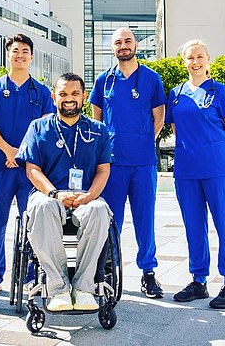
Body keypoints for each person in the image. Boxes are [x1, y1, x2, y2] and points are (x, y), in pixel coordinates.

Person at [16, 73, 113, 311]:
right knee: (41, 207)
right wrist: (54, 194)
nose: (69, 99)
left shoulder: (99, 131)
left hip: (85, 196)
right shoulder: (38, 128)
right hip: (49, 194)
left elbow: (103, 171)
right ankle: (58, 287)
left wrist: (89, 196)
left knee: (100, 210)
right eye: (63, 94)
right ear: (54, 97)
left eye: (74, 93)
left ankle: (83, 288)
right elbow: (32, 170)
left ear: (84, 96)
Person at [88, 27, 166, 299]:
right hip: (112, 164)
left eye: (128, 41)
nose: (123, 45)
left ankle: (148, 273)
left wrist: (143, 140)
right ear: (113, 48)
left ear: (136, 45)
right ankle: (108, 269)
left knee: (145, 220)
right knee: (111, 221)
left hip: (143, 163)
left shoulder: (152, 79)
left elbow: (159, 117)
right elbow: (97, 119)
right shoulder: (103, 81)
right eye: (118, 42)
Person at [0, 34, 56, 298]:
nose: (20, 55)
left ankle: (30, 276)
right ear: (7, 55)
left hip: (30, 168)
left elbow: (45, 130)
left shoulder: (42, 92)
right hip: (0, 164)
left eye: (25, 51)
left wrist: (21, 154)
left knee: (32, 222)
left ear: (32, 57)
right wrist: (9, 151)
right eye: (15, 51)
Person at [166, 40, 225, 309]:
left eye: (200, 56)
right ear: (184, 62)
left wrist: (217, 151)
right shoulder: (175, 94)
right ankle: (199, 281)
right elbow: (176, 129)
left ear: (208, 60)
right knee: (193, 225)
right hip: (186, 169)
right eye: (190, 57)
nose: (195, 61)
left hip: (217, 168)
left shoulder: (220, 92)